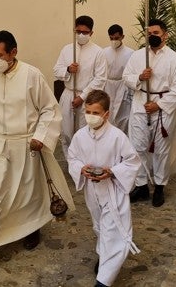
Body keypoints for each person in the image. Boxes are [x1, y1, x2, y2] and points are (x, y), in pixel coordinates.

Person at [0, 30, 75, 271]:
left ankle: (32, 229)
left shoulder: (31, 75)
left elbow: (49, 110)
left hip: (26, 144)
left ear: (13, 52)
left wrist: (40, 137)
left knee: (27, 192)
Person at [68, 90, 142, 287]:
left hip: (112, 190)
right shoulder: (80, 136)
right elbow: (72, 158)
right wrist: (80, 168)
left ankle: (103, 281)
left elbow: (132, 161)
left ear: (106, 114)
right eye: (88, 112)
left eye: (95, 113)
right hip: (92, 190)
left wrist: (112, 172)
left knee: (114, 230)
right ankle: (104, 257)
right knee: (100, 226)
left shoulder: (117, 137)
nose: (90, 117)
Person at [123, 19, 176, 207]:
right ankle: (141, 185)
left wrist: (158, 105)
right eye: (149, 33)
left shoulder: (175, 59)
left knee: (161, 149)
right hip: (140, 103)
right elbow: (126, 77)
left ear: (165, 35)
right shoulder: (137, 56)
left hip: (163, 109)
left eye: (156, 33)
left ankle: (159, 185)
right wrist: (140, 77)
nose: (152, 36)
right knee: (137, 146)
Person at [54, 15, 108, 159]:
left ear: (91, 33)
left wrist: (82, 97)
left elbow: (100, 78)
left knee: (85, 131)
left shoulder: (98, 52)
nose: (81, 35)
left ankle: (85, 160)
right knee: (66, 131)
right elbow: (56, 70)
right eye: (78, 31)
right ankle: (71, 161)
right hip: (68, 93)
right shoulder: (67, 49)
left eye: (85, 32)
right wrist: (67, 69)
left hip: (88, 97)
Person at [102, 24, 134, 133]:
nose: (114, 41)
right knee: (108, 113)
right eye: (111, 38)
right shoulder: (104, 52)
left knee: (123, 116)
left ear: (122, 37)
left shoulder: (130, 53)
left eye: (116, 38)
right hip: (108, 86)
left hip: (123, 86)